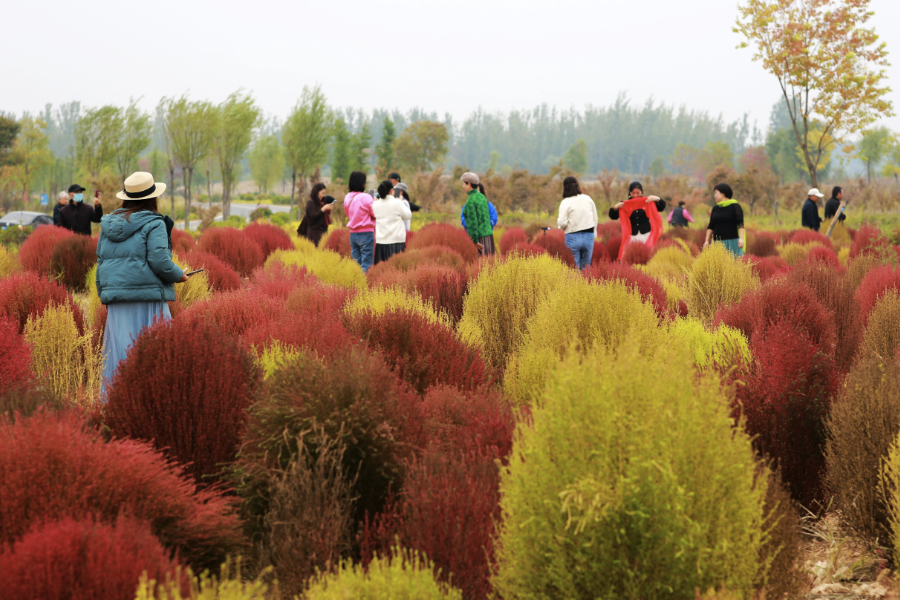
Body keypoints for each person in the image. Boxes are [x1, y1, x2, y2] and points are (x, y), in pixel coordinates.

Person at [96, 172, 189, 395]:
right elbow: (160, 261)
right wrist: (179, 275)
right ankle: (150, 403)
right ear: (152, 198)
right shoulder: (154, 222)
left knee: (120, 354)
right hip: (147, 300)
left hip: (117, 301)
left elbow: (101, 262)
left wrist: (105, 295)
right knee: (154, 353)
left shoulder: (108, 224)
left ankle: (116, 404)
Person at [609, 181, 665, 257]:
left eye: (638, 192)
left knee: (648, 255)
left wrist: (656, 198)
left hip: (646, 234)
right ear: (630, 193)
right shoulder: (625, 204)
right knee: (631, 255)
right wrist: (615, 207)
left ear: (641, 192)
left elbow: (662, 207)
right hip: (632, 235)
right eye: (633, 193)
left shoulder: (647, 201)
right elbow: (612, 216)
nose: (635, 195)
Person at [556, 176, 598, 270]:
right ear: (577, 186)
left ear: (565, 188)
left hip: (572, 237)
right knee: (586, 268)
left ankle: (576, 284)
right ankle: (586, 284)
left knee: (574, 268)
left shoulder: (565, 202)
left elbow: (562, 222)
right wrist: (594, 233)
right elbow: (595, 218)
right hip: (589, 236)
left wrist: (563, 227)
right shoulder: (588, 199)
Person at [373, 180, 412, 264]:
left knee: (381, 270)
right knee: (396, 269)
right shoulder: (398, 203)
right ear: (391, 190)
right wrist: (400, 201)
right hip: (396, 242)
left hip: (381, 242)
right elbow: (408, 215)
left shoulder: (375, 204)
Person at [344, 171, 376, 272]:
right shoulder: (366, 197)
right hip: (366, 233)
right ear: (362, 184)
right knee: (366, 264)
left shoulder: (347, 197)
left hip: (353, 234)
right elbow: (375, 213)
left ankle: (356, 285)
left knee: (356, 265)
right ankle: (365, 286)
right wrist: (374, 201)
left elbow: (348, 213)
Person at [704, 183, 745, 257]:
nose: (714, 195)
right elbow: (711, 226)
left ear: (722, 193)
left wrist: (741, 239)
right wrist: (706, 241)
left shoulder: (735, 206)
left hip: (732, 242)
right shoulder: (715, 209)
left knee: (734, 264)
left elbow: (741, 224)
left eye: (716, 193)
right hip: (717, 243)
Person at [461, 172, 494, 256]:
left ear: (469, 184)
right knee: (490, 264)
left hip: (479, 240)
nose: (463, 186)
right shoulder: (482, 197)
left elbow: (473, 224)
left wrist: (475, 241)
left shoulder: (471, 201)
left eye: (463, 184)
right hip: (489, 237)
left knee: (479, 266)